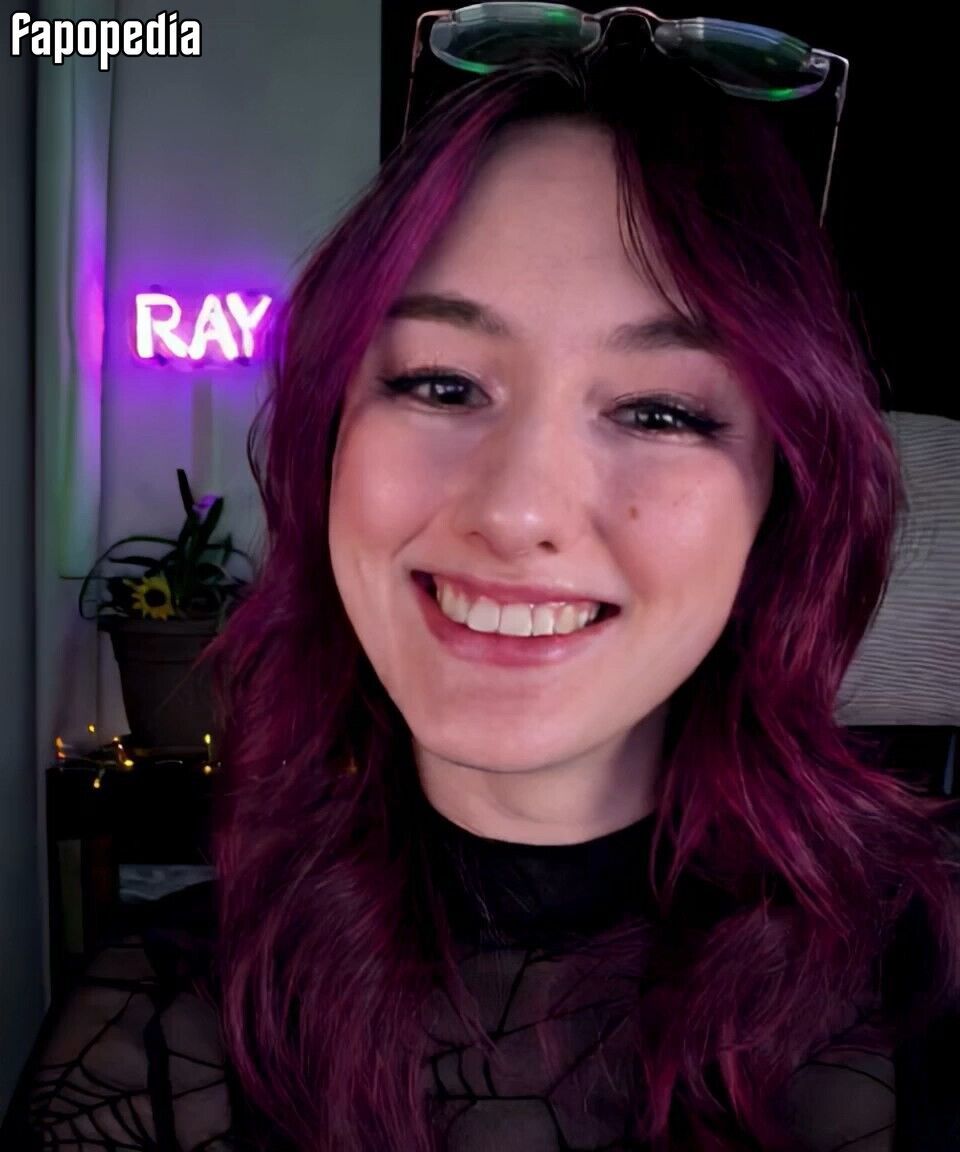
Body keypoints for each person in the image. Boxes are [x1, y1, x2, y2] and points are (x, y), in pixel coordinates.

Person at [4, 8, 959, 1151]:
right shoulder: (157, 1033)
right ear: (327, 443)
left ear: (782, 505)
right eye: (442, 385)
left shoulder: (929, 991)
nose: (516, 513)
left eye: (661, 411)